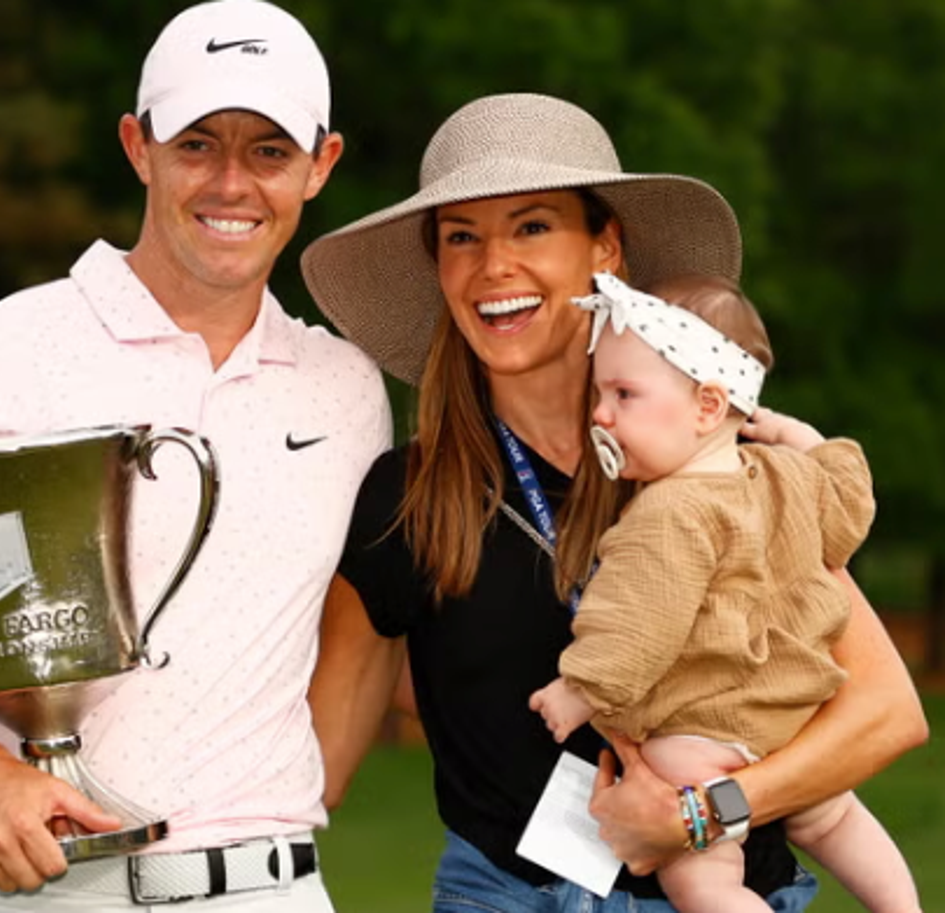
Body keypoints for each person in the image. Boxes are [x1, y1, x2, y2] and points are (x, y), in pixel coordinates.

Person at [0, 2, 392, 910]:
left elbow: (356, 603)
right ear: (136, 146)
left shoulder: (345, 386)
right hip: (42, 892)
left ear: (321, 165)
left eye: (270, 151)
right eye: (197, 144)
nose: (232, 182)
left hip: (272, 889)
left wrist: (302, 782)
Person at [300, 93, 927, 912]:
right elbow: (315, 760)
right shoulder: (406, 498)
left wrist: (701, 817)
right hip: (503, 897)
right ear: (440, 269)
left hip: (721, 888)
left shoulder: (719, 464)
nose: (494, 266)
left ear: (606, 248)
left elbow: (884, 713)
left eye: (532, 227)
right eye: (462, 237)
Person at [529, 272, 921, 913]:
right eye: (598, 393)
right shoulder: (785, 478)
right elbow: (849, 518)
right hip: (789, 721)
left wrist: (580, 690)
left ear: (709, 407)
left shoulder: (667, 513)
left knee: (701, 880)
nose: (600, 413)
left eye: (623, 394)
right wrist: (808, 443)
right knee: (831, 819)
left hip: (698, 737)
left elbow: (637, 625)